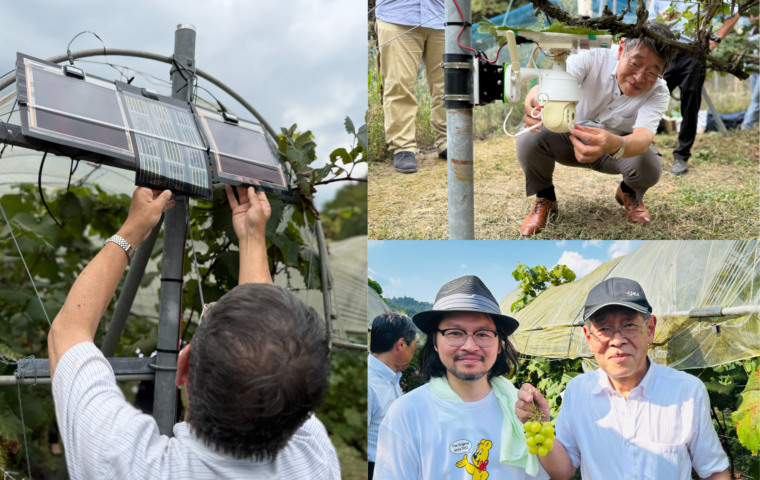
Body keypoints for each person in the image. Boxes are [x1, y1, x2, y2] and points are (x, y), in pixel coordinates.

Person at [47, 185, 340, 479]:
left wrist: (132, 229)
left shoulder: (130, 463)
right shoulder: (315, 459)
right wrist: (252, 237)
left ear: (184, 365)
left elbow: (68, 332)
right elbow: (270, 346)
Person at [514, 277, 730, 480]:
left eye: (629, 325)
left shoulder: (688, 392)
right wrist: (540, 425)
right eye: (604, 329)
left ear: (651, 329)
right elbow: (563, 470)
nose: (617, 340)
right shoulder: (577, 392)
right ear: (589, 338)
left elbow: (714, 472)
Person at [374, 275, 550, 480]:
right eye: (455, 332)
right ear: (435, 342)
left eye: (483, 334)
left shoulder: (520, 410)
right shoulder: (406, 413)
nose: (469, 345)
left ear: (499, 344)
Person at [517, 21, 678, 237]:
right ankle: (545, 196)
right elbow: (551, 87)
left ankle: (628, 193)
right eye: (635, 64)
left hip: (614, 150)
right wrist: (534, 98)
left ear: (664, 71)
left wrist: (613, 144)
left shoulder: (659, 91)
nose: (639, 77)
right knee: (529, 136)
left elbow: (642, 137)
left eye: (652, 72)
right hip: (569, 138)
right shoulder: (592, 57)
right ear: (621, 50)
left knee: (650, 164)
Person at [648, 1, 740, 175]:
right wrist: (664, 20)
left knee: (690, 106)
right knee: (646, 96)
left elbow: (734, 13)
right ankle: (639, 149)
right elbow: (651, 22)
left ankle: (682, 156)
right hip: (664, 52)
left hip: (693, 53)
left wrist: (716, 39)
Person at [375, 0, 447, 174]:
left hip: (444, 16)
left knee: (449, 85)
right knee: (399, 85)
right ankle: (403, 147)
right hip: (398, 15)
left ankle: (447, 140)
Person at [368, 311, 419, 479]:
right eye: (415, 346)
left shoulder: (391, 378)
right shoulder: (369, 385)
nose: (413, 354)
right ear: (401, 344)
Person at [741, 15, 759, 130]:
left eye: (753, 14)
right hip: (754, 66)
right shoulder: (752, 29)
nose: (750, 17)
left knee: (758, 99)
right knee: (755, 97)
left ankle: (746, 127)